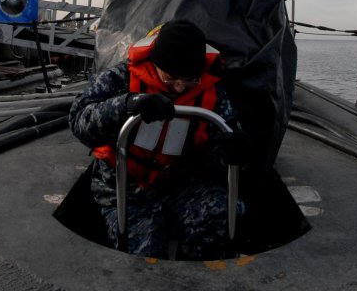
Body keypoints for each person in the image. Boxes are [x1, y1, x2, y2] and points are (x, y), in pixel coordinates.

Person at [69, 19, 249, 260]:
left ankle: (198, 271)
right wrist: (126, 105)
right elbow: (79, 121)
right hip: (127, 187)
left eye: (190, 79)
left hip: (183, 183)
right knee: (144, 252)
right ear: (156, 64)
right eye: (171, 77)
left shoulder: (214, 93)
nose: (179, 87)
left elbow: (224, 145)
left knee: (221, 217)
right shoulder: (120, 78)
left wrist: (232, 150)